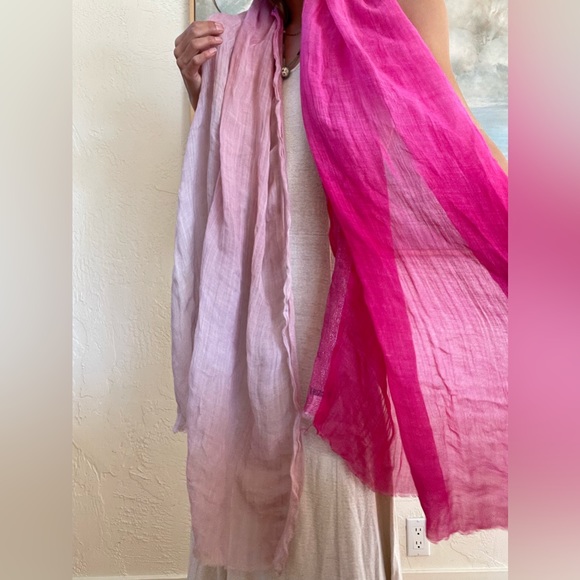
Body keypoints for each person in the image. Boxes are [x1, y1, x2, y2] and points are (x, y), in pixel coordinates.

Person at [171, 1, 507, 579]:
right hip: (242, 356)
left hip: (337, 354)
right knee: (243, 507)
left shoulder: (385, 13)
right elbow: (247, 179)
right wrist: (201, 89)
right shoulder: (238, 41)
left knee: (330, 516)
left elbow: (453, 144)